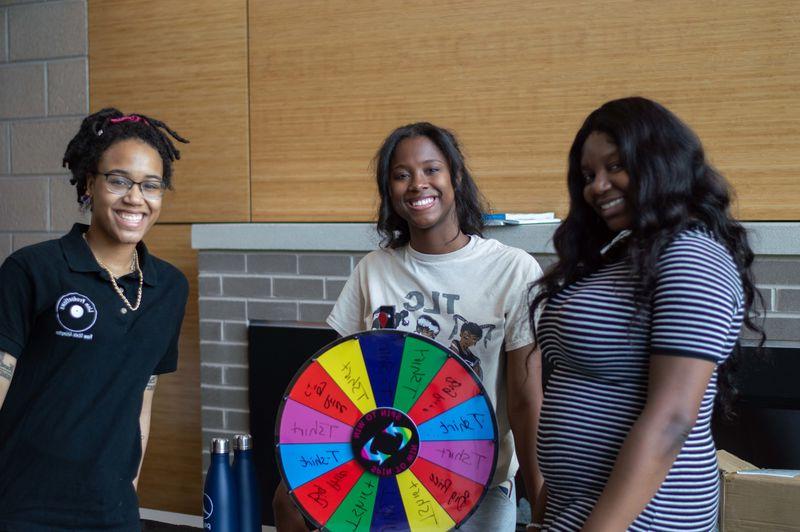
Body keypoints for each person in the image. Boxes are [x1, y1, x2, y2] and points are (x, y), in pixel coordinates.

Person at [274, 122, 544, 531]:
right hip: (380, 474)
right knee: (285, 499)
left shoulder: (512, 269)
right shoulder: (373, 270)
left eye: (431, 170)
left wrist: (540, 493)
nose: (418, 184)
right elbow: (341, 384)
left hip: (473, 483)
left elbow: (525, 399)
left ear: (455, 176)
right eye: (402, 175)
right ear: (389, 190)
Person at [529, 97, 765, 531]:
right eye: (588, 175)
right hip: (579, 510)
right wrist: (549, 504)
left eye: (615, 167)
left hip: (642, 518)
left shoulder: (692, 257)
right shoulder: (620, 254)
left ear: (661, 163)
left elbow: (673, 419)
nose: (597, 187)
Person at [0, 108, 190, 530]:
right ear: (90, 183)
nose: (135, 198)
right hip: (24, 505)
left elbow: (143, 396)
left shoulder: (169, 288)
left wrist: (131, 487)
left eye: (150, 185)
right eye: (119, 180)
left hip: (112, 509)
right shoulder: (33, 270)